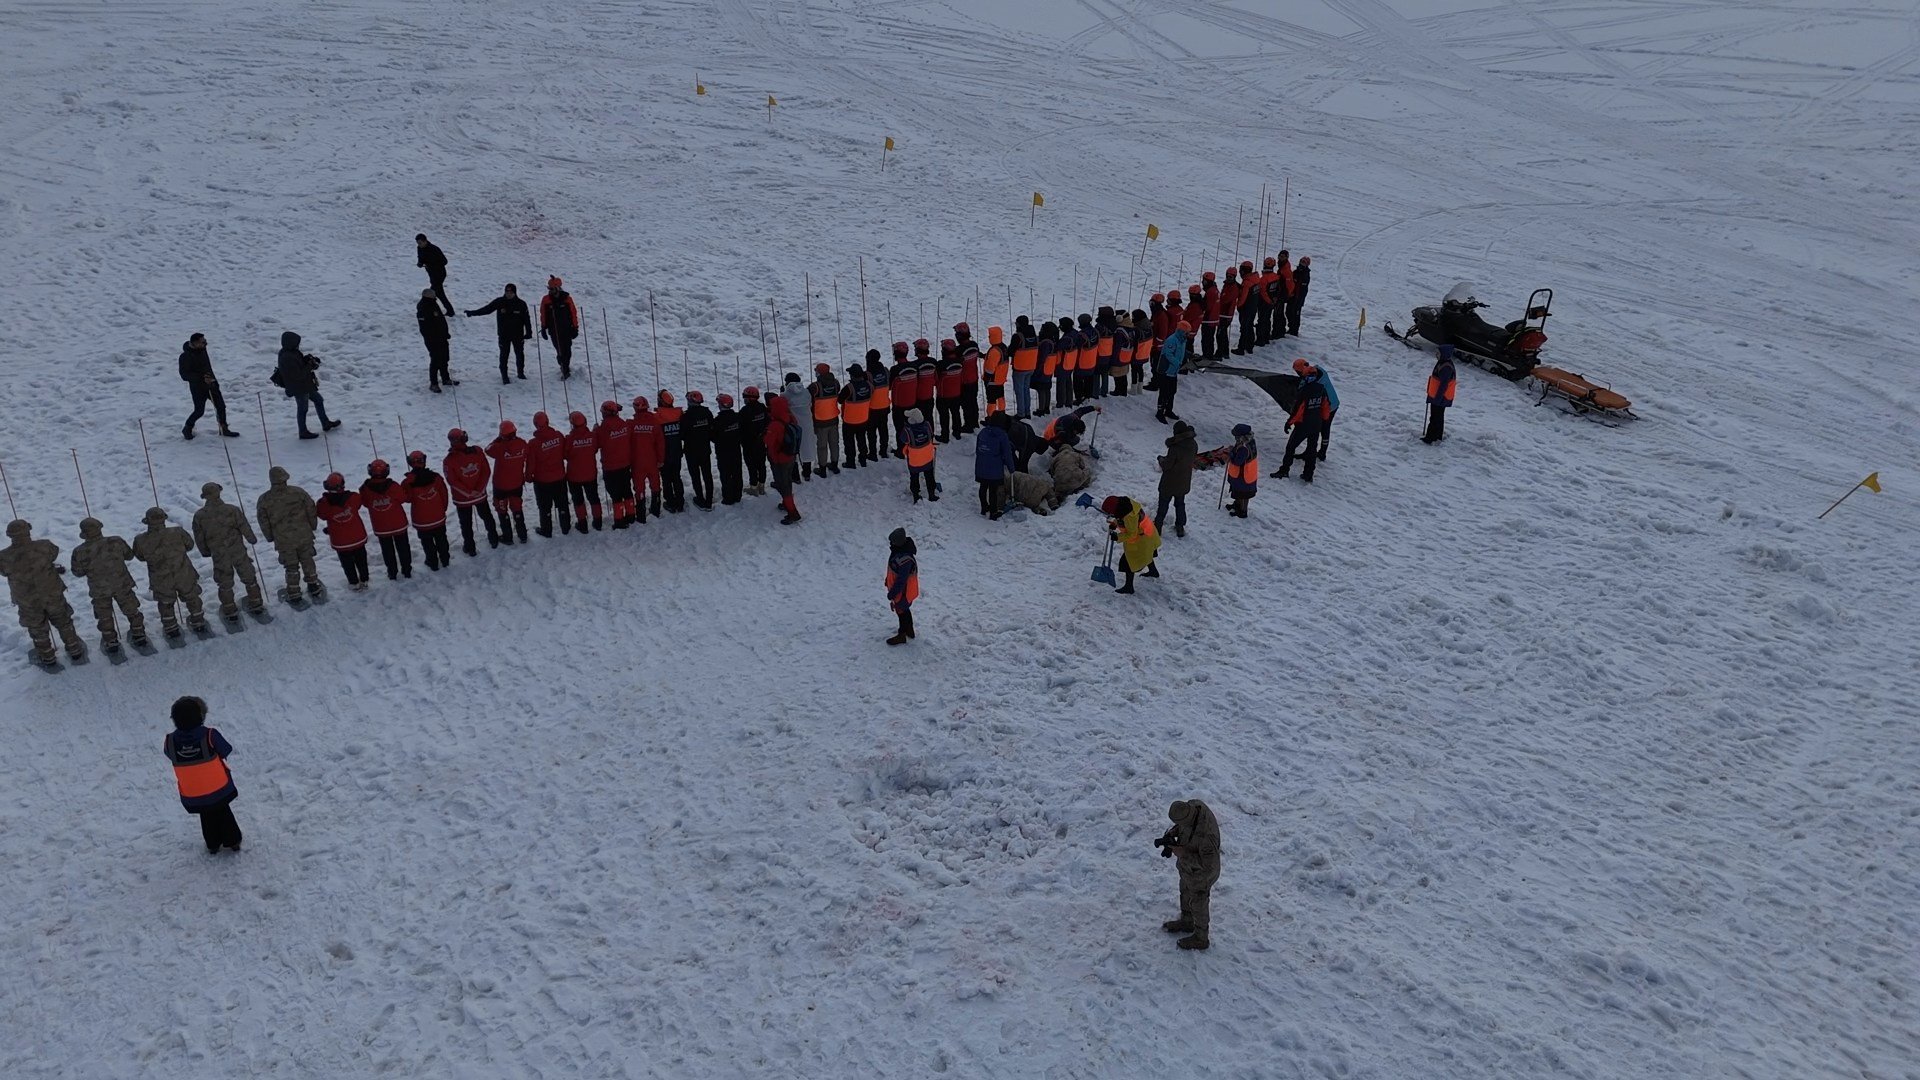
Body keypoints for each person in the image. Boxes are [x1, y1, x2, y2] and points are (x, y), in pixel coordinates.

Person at [0, 519, 86, 664]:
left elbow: (3, 571)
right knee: (63, 622)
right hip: (52, 594)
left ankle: (48, 657)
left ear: (10, 535)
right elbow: (54, 554)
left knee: (37, 629)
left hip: (27, 600)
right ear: (28, 531)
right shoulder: (45, 546)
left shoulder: (3, 557)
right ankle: (74, 649)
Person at [164, 696, 242, 854]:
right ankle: (233, 841)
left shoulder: (170, 741)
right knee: (223, 812)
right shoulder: (210, 735)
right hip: (219, 788)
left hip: (193, 794)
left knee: (206, 815)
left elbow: (169, 754)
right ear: (200, 716)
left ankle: (212, 844)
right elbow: (226, 749)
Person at [70, 517, 149, 650]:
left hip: (99, 590)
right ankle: (139, 633)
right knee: (131, 610)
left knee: (104, 616)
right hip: (122, 584)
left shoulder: (79, 551)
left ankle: (111, 641)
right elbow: (129, 555)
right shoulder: (116, 541)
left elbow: (77, 572)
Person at [191, 481, 266, 619]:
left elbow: (199, 537)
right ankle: (256, 603)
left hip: (219, 553)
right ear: (219, 492)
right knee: (248, 576)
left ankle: (230, 610)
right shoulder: (232, 509)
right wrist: (251, 539)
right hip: (237, 549)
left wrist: (205, 551)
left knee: (224, 582)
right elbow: (244, 526)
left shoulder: (200, 516)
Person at [1156, 799, 1221, 950]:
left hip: (1202, 874)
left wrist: (1183, 854)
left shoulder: (1207, 837)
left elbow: (1208, 864)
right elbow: (1183, 826)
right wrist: (1175, 831)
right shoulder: (1193, 805)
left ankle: (1201, 938)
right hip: (1188, 870)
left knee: (1198, 902)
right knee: (1185, 891)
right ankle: (1187, 922)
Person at [133, 507, 209, 634]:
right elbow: (189, 545)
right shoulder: (178, 532)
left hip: (160, 578)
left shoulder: (140, 540)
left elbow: (140, 557)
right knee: (192, 598)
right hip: (184, 573)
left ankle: (170, 628)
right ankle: (198, 621)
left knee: (166, 603)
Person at [256, 467, 326, 599]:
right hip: (304, 535)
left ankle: (294, 592)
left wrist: (270, 537)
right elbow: (311, 509)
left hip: (283, 540)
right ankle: (313, 586)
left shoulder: (264, 499)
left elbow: (263, 521)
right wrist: (312, 526)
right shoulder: (298, 492)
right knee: (307, 560)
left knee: (291, 566)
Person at [443, 429, 501, 553]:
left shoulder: (448, 460)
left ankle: (470, 548)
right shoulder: (477, 451)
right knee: (487, 517)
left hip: (462, 499)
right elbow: (486, 471)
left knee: (466, 524)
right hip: (479, 495)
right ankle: (494, 539)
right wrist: (479, 489)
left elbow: (452, 481)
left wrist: (468, 492)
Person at [273, 331, 340, 440]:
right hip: (298, 387)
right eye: (296, 343)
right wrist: (310, 366)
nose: (298, 345)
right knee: (303, 409)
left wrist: (309, 360)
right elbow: (297, 375)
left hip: (305, 385)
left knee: (319, 400)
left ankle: (325, 423)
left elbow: (299, 364)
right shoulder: (287, 357)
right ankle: (303, 432)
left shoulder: (291, 352)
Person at [1276, 363, 1333, 482]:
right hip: (1316, 424)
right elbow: (1326, 408)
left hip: (1304, 424)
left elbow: (1298, 410)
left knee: (1291, 447)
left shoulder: (1304, 391)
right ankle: (1308, 474)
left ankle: (1284, 470)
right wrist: (1322, 420)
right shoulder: (1321, 389)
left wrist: (1289, 423)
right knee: (1312, 450)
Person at [466, 284, 534, 384]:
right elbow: (487, 309)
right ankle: (504, 375)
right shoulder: (500, 302)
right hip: (504, 334)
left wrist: (529, 332)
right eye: (507, 292)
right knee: (504, 355)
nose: (508, 294)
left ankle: (520, 372)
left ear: (514, 292)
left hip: (517, 334)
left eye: (510, 292)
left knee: (520, 354)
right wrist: (472, 313)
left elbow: (526, 320)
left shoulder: (521, 304)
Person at [315, 473, 371, 591]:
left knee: (347, 563)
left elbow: (322, 515)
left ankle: (353, 582)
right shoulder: (353, 497)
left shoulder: (323, 504)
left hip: (340, 541)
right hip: (357, 537)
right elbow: (359, 503)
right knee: (361, 559)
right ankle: (364, 579)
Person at [178, 333, 237, 440]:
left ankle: (223, 428)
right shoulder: (184, 357)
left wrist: (212, 380)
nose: (206, 343)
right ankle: (187, 427)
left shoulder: (203, 350)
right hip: (198, 388)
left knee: (221, 406)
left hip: (211, 384)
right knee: (199, 411)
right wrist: (201, 378)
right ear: (195, 343)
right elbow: (184, 375)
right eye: (203, 342)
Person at [360, 460, 412, 578]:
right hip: (399, 524)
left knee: (387, 551)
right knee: (403, 547)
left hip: (381, 527)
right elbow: (403, 498)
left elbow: (365, 503)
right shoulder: (393, 486)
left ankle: (392, 572)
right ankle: (407, 570)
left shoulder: (365, 489)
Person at [402, 451, 452, 571]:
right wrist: (442, 509)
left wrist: (407, 483)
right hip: (438, 516)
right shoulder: (436, 477)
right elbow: (444, 494)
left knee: (427, 542)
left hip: (422, 520)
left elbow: (406, 498)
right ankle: (445, 560)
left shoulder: (408, 482)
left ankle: (432, 562)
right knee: (442, 539)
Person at [1100, 496, 1160, 594]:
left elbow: (1132, 533)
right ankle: (1153, 571)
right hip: (1149, 535)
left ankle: (1129, 587)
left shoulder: (1129, 516)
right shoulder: (1127, 505)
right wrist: (1115, 523)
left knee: (1128, 563)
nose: (1111, 515)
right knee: (1147, 554)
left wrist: (1118, 537)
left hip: (1142, 540)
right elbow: (1121, 517)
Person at [485, 419, 532, 544]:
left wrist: (498, 439)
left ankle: (508, 536)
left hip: (501, 486)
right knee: (517, 508)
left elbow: (487, 449)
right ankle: (522, 535)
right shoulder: (522, 444)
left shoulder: (499, 447)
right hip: (517, 483)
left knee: (502, 509)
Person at [526, 411, 570, 535]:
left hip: (542, 481)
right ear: (547, 421)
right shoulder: (558, 436)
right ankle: (565, 527)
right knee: (562, 504)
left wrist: (528, 477)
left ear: (535, 424)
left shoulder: (533, 443)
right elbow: (565, 454)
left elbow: (531, 464)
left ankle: (547, 530)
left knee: (545, 507)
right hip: (559, 477)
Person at [594, 401, 637, 527]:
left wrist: (595, 431)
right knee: (627, 490)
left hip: (611, 467)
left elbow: (597, 445)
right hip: (625, 464)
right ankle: (631, 515)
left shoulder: (602, 429)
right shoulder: (624, 424)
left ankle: (619, 520)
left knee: (616, 494)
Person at [764, 395, 803, 524]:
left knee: (783, 485)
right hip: (790, 456)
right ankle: (786, 503)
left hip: (779, 459)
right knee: (787, 481)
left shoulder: (775, 424)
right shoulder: (790, 418)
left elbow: (768, 441)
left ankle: (793, 512)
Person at [563, 410, 604, 530]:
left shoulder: (569, 439)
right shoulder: (592, 436)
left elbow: (565, 454)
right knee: (594, 498)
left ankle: (582, 524)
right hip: (590, 473)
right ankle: (598, 521)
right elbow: (595, 449)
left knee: (578, 500)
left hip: (574, 475)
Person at [1155, 421, 1197, 538]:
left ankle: (1158, 526)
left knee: (1163, 504)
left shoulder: (1175, 447)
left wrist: (1161, 460)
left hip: (1170, 482)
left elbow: (1167, 466)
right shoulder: (1193, 444)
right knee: (1180, 504)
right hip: (1183, 480)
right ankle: (1180, 527)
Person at [628, 396, 665, 519]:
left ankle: (641, 513)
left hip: (637, 462)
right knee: (655, 485)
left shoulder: (631, 425)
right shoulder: (654, 422)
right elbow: (660, 443)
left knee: (639, 488)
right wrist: (660, 459)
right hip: (652, 460)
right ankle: (656, 509)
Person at [974, 412, 1015, 519]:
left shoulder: (983, 432)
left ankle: (984, 507)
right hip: (995, 469)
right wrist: (1011, 468)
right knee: (993, 491)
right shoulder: (1002, 435)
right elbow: (1007, 453)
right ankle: (993, 512)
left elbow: (978, 449)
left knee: (983, 487)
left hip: (981, 466)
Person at [538, 277, 580, 380]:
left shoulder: (567, 299)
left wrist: (575, 327)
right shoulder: (546, 300)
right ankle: (564, 369)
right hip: (554, 330)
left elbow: (573, 313)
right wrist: (543, 327)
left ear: (558, 288)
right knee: (560, 350)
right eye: (549, 289)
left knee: (567, 350)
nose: (550, 291)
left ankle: (565, 365)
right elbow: (543, 314)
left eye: (552, 289)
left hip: (567, 329)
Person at [681, 390, 716, 511]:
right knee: (707, 475)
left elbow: (682, 434)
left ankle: (700, 499)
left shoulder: (686, 416)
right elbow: (712, 429)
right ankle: (709, 501)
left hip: (691, 451)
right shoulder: (707, 412)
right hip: (705, 449)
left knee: (695, 476)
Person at [417, 288, 457, 392]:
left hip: (442, 337)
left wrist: (445, 333)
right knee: (435, 360)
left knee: (444, 358)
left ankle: (445, 378)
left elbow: (440, 320)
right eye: (433, 295)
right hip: (433, 340)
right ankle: (433, 383)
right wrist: (433, 338)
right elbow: (425, 327)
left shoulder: (433, 304)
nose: (435, 296)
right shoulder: (423, 307)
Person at [654, 390, 687, 512]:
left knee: (666, 479)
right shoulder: (679, 414)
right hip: (677, 451)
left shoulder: (657, 416)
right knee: (676, 477)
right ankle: (680, 501)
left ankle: (670, 502)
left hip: (664, 454)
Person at [807, 363, 843, 475]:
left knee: (822, 446)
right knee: (834, 443)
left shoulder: (815, 386)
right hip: (833, 418)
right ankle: (834, 465)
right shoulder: (836, 383)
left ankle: (822, 469)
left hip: (820, 421)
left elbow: (806, 396)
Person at [885, 527, 918, 646]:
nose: (891, 544)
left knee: (901, 611)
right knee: (905, 610)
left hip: (903, 592)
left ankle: (902, 635)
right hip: (904, 591)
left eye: (892, 542)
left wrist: (892, 593)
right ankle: (910, 630)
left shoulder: (904, 559)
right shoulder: (900, 552)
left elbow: (901, 580)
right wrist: (887, 580)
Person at [780, 373, 818, 479]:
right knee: (807, 448)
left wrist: (781, 392)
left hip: (793, 426)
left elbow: (782, 406)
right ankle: (807, 473)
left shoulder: (785, 395)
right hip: (807, 424)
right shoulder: (806, 392)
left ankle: (795, 476)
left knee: (793, 450)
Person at [899, 408, 938, 503]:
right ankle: (931, 494)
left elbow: (903, 439)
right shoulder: (928, 426)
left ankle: (916, 495)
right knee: (929, 476)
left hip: (914, 460)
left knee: (914, 477)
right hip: (928, 458)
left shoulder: (908, 431)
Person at [712, 393, 745, 505]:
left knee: (725, 474)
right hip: (735, 449)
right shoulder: (737, 417)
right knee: (737, 472)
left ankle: (728, 497)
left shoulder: (717, 421)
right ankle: (737, 495)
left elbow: (713, 437)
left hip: (723, 452)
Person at [838, 364, 874, 468]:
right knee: (862, 440)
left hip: (849, 420)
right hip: (863, 419)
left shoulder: (849, 388)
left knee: (849, 443)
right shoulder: (869, 385)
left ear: (852, 375)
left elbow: (840, 400)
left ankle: (851, 462)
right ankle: (863, 460)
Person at [1156, 321, 1190, 424]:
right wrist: (1178, 363)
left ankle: (1168, 410)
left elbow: (1180, 352)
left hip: (1173, 372)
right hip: (1166, 371)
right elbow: (1168, 355)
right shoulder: (1172, 340)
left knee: (1172, 392)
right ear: (1181, 331)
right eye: (1186, 332)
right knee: (1164, 392)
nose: (1188, 334)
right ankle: (1160, 412)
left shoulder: (1182, 340)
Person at [738, 387, 770, 496]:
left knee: (751, 466)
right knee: (761, 464)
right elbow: (767, 421)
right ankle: (762, 486)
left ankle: (753, 487)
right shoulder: (762, 407)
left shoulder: (744, 411)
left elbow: (740, 428)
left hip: (748, 444)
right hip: (761, 441)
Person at [887, 342, 918, 457]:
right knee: (912, 426)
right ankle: (914, 445)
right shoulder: (914, 366)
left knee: (900, 429)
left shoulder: (895, 369)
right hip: (912, 402)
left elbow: (889, 386)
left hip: (899, 405)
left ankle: (901, 450)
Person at [415, 233, 455, 316]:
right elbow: (421, 258)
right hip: (432, 275)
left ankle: (424, 309)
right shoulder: (419, 248)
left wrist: (430, 264)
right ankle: (450, 311)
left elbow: (444, 261)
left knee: (430, 293)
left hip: (440, 274)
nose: (419, 245)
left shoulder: (434, 249)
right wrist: (420, 263)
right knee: (440, 294)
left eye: (420, 243)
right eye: (418, 243)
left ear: (425, 241)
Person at [1307, 359, 1339, 460]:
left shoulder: (1317, 383)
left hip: (1330, 407)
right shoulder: (1319, 371)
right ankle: (1313, 451)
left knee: (1324, 428)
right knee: (1320, 428)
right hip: (1332, 403)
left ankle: (1322, 452)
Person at [1425, 344, 1456, 444]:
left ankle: (1431, 437)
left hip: (1440, 397)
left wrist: (1437, 398)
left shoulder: (1445, 367)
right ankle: (1437, 436)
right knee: (1438, 416)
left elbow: (1443, 385)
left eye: (1438, 353)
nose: (1436, 355)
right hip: (1438, 397)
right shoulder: (1442, 363)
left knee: (1435, 417)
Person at [1227, 424, 1259, 517]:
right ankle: (1237, 505)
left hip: (1243, 475)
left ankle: (1242, 511)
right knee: (1238, 491)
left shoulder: (1244, 448)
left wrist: (1231, 454)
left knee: (1243, 493)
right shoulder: (1250, 441)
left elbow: (1237, 461)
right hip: (1246, 474)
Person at [954, 322, 981, 432]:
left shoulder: (958, 350)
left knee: (966, 404)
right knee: (973, 402)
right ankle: (975, 422)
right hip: (974, 378)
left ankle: (968, 425)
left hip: (964, 381)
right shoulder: (974, 344)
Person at [935, 340, 964, 442]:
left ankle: (945, 435)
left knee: (944, 416)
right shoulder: (960, 361)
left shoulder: (941, 364)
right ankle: (957, 432)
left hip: (943, 395)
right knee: (956, 413)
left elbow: (936, 379)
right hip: (956, 393)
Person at [1010, 321, 1038, 418]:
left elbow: (1010, 351)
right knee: (1026, 390)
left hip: (1020, 368)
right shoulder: (1034, 336)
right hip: (1031, 367)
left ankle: (1020, 414)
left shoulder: (1017, 337)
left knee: (1019, 391)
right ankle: (1027, 412)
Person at [867, 352, 893, 457]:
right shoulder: (886, 371)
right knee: (884, 430)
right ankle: (883, 451)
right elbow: (889, 385)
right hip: (885, 406)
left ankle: (872, 453)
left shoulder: (868, 375)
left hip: (872, 408)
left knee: (871, 432)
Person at [1232, 260, 1260, 355]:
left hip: (1246, 309)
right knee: (1250, 326)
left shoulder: (1247, 283)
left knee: (1244, 329)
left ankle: (1241, 348)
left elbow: (1243, 297)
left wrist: (1238, 306)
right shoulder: (1256, 279)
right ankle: (1249, 346)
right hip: (1253, 307)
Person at [1032, 321, 1057, 416]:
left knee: (1041, 389)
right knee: (1047, 388)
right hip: (1049, 369)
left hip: (1043, 368)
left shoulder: (1045, 343)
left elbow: (1042, 358)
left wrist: (1037, 370)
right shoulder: (1053, 341)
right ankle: (1046, 407)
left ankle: (1041, 409)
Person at [1199, 272, 1223, 361]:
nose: (1202, 283)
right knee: (1210, 338)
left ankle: (1206, 356)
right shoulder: (1215, 289)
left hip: (1208, 319)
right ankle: (1209, 354)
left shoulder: (1210, 292)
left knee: (1206, 339)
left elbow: (1207, 307)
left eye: (1204, 281)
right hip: (1214, 318)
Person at [1286, 256, 1311, 336]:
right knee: (1288, 312)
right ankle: (1291, 327)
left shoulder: (1305, 274)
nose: (1301, 263)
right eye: (1301, 261)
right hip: (1292, 296)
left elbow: (1302, 289)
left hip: (1298, 298)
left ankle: (1294, 330)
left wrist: (1299, 298)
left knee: (1296, 313)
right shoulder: (1296, 272)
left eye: (1304, 262)